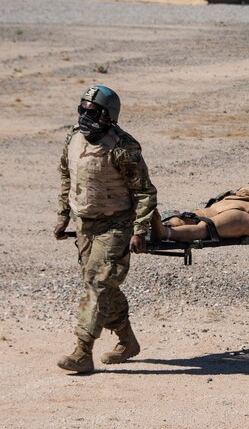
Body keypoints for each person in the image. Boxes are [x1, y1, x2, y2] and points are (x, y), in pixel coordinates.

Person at [54, 85, 158, 373]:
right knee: (103, 285)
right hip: (84, 225)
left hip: (115, 226)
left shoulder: (123, 147)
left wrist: (139, 229)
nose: (85, 115)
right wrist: (63, 215)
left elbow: (145, 192)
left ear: (108, 115)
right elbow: (66, 175)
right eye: (82, 109)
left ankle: (82, 351)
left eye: (93, 111)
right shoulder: (73, 139)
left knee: (98, 283)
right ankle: (127, 340)